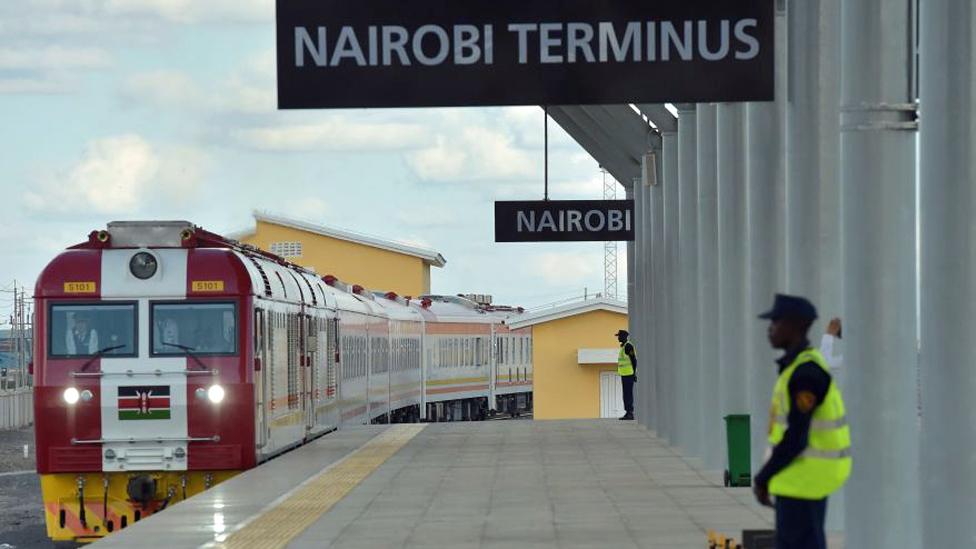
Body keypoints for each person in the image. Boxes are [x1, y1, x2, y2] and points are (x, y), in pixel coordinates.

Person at [753, 294, 851, 549]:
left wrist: (763, 477)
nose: (770, 329)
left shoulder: (805, 373)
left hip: (803, 477)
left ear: (795, 326)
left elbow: (797, 436)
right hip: (798, 476)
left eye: (775, 322)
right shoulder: (799, 366)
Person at [615, 329, 637, 420]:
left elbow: (634, 360)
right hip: (625, 374)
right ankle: (627, 412)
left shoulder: (628, 347)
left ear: (624, 337)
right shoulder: (624, 347)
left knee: (628, 394)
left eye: (619, 336)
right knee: (626, 394)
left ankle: (630, 413)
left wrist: (634, 373)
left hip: (629, 374)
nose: (618, 338)